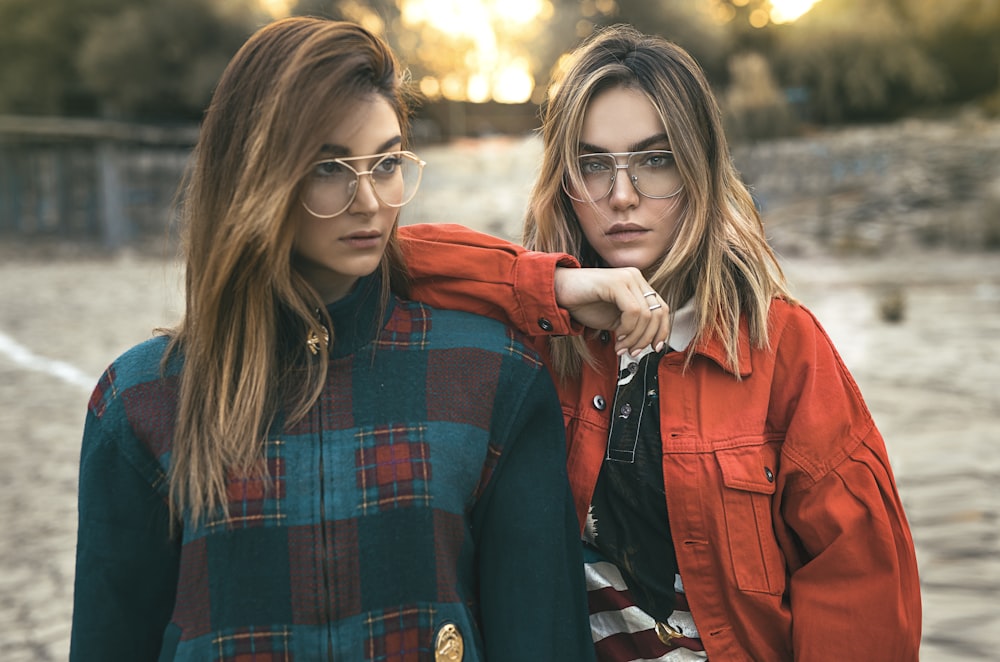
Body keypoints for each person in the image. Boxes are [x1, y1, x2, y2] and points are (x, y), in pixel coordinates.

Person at [69, 17, 600, 661]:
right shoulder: (140, 401)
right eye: (329, 167)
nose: (370, 200)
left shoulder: (491, 377)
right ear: (257, 176)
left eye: (386, 162)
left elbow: (542, 641)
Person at [399, 24, 922, 661]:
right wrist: (559, 286)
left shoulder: (783, 348)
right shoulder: (537, 340)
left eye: (655, 159)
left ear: (699, 169)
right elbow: (389, 258)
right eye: (593, 165)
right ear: (563, 179)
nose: (621, 196)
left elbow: (859, 585)